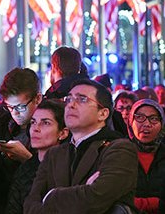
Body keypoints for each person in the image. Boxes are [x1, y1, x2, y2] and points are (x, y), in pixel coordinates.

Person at [24, 78, 138, 214]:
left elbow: (95, 198)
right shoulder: (55, 154)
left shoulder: (119, 149)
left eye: (82, 99)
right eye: (69, 99)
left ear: (103, 113)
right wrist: (81, 193)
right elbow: (30, 206)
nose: (71, 105)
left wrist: (51, 196)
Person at [0, 67, 42, 214]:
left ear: (38, 98)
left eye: (20, 107)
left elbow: (57, 181)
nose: (15, 113)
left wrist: (28, 159)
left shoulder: (54, 128)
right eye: (10, 107)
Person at [6, 99, 69, 214]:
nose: (35, 128)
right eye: (33, 122)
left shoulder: (69, 168)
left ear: (63, 133)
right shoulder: (25, 169)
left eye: (45, 123)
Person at [127, 99, 165, 214]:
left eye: (153, 118)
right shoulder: (119, 153)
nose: (147, 124)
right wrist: (154, 203)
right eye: (139, 117)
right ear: (130, 122)